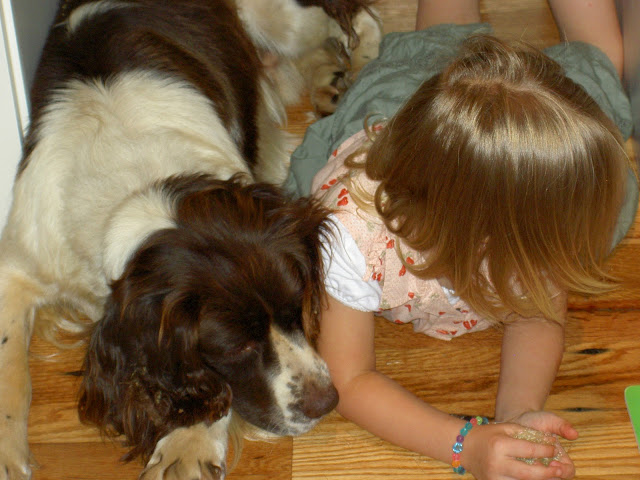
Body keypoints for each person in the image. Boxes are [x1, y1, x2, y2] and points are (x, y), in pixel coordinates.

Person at [284, 1, 639, 479]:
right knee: (598, 55)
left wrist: (518, 413)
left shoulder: (531, 219)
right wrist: (464, 444)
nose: (567, 250)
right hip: (391, 109)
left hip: (458, 132)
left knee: (598, 72)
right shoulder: (350, 235)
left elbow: (537, 314)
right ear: (492, 237)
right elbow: (349, 380)